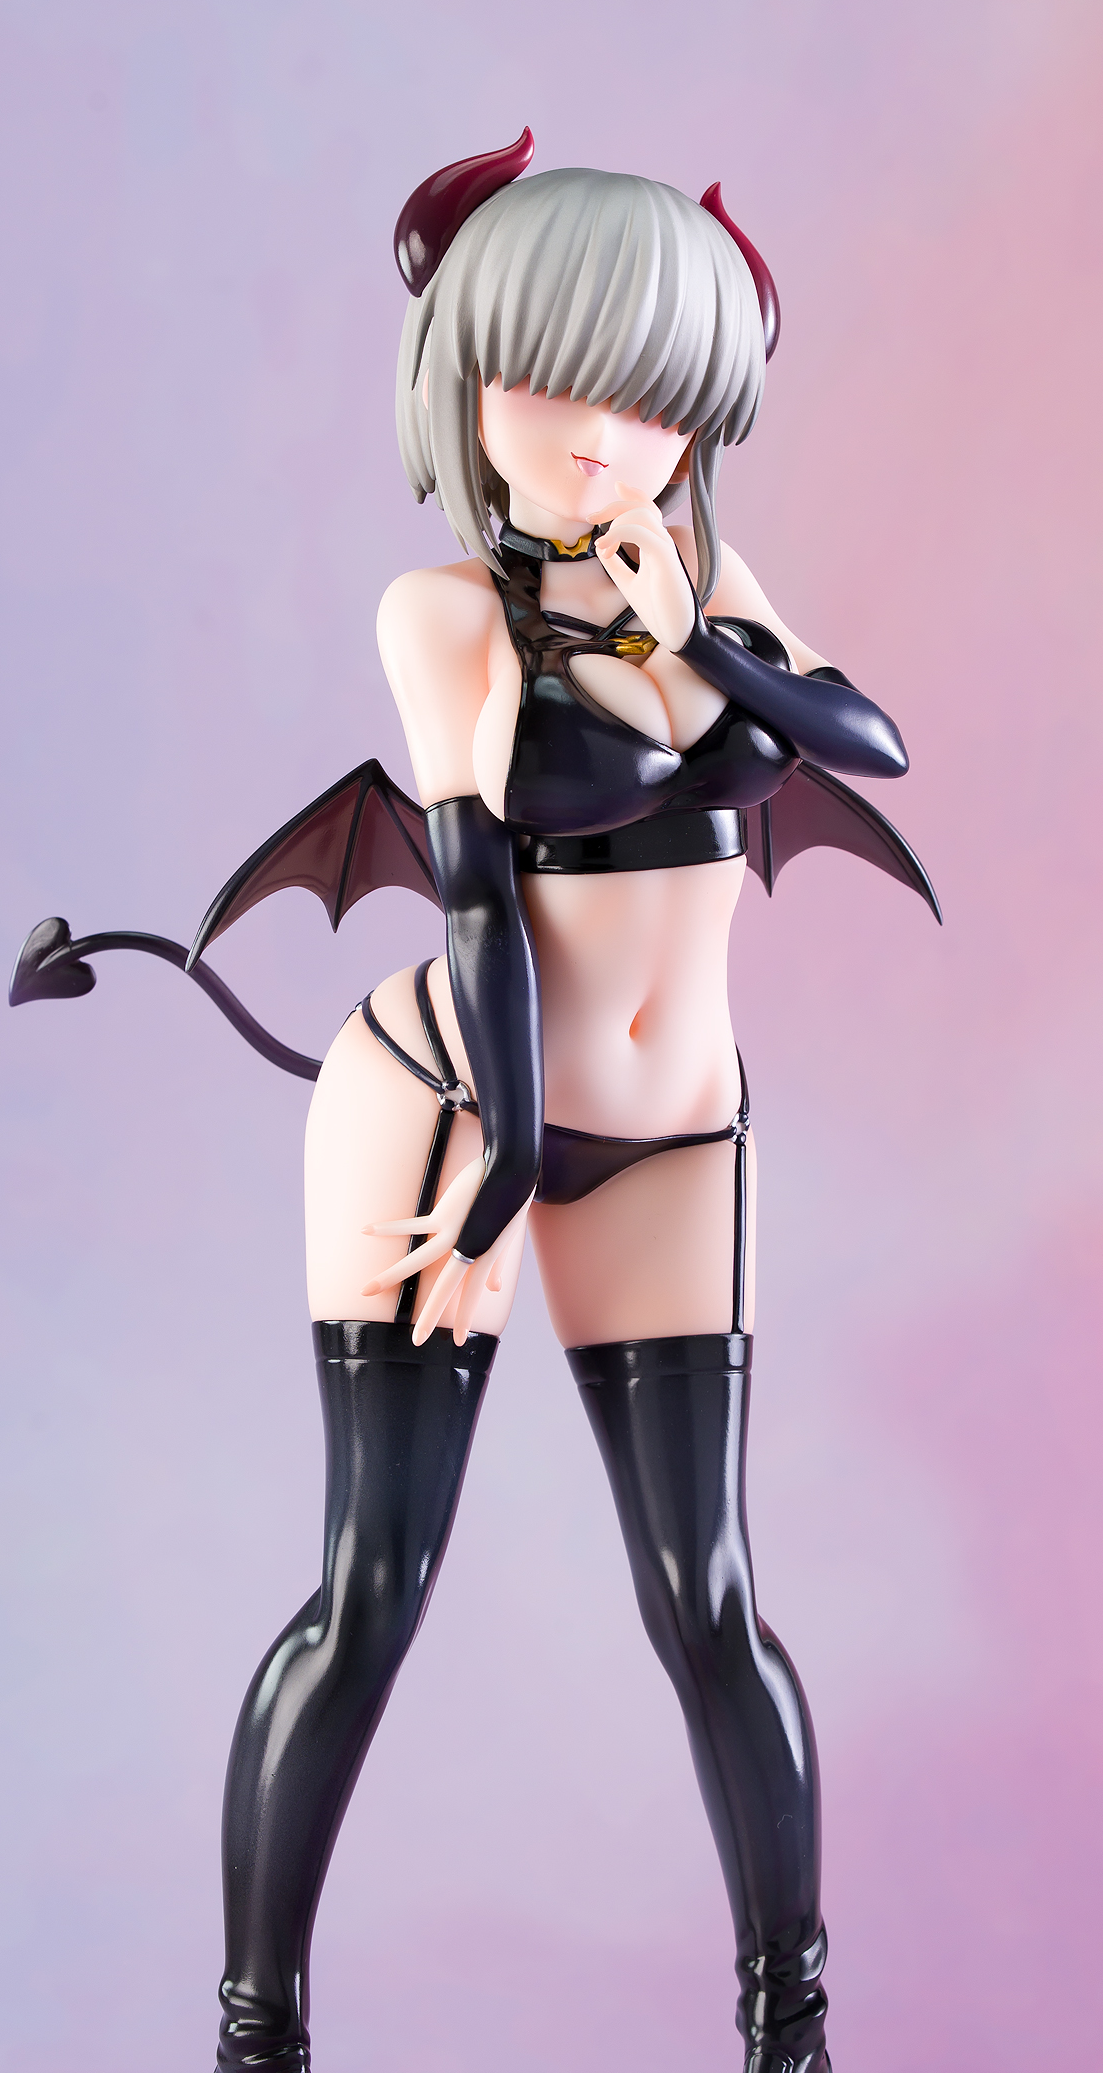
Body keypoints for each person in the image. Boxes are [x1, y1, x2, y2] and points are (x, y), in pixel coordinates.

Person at [211, 134, 917, 2073]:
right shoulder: (442, 617)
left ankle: (792, 2035)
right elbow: (477, 906)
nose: (604, 439)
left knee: (710, 1595)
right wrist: (502, 1171)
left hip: (681, 1135)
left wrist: (695, 642)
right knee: (374, 1588)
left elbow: (869, 742)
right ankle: (258, 2033)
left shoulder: (711, 582)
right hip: (455, 1108)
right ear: (460, 379)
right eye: (550, 383)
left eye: (652, 398)